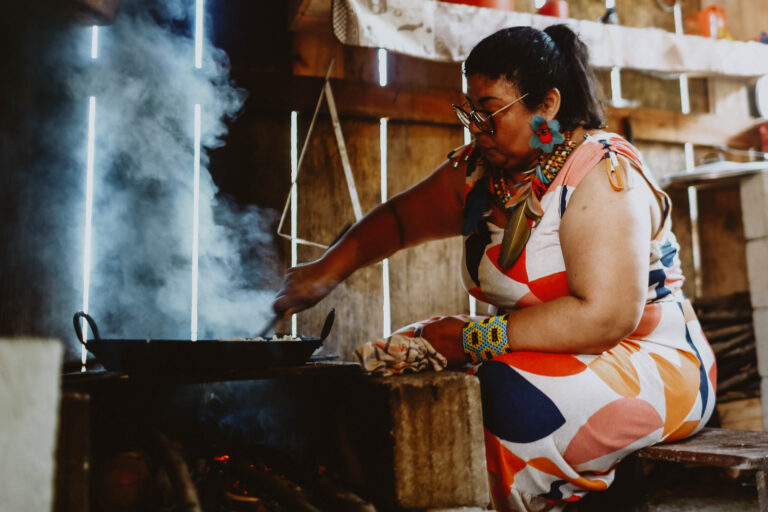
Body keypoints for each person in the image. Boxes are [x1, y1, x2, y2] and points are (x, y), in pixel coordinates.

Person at [273, 24, 716, 512]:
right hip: (537, 349)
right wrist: (323, 272)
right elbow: (399, 222)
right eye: (470, 112)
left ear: (545, 106)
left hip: (646, 359)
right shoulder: (481, 171)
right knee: (397, 357)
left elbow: (605, 318)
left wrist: (470, 340)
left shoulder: (599, 173)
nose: (475, 130)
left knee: (503, 395)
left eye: (489, 114)